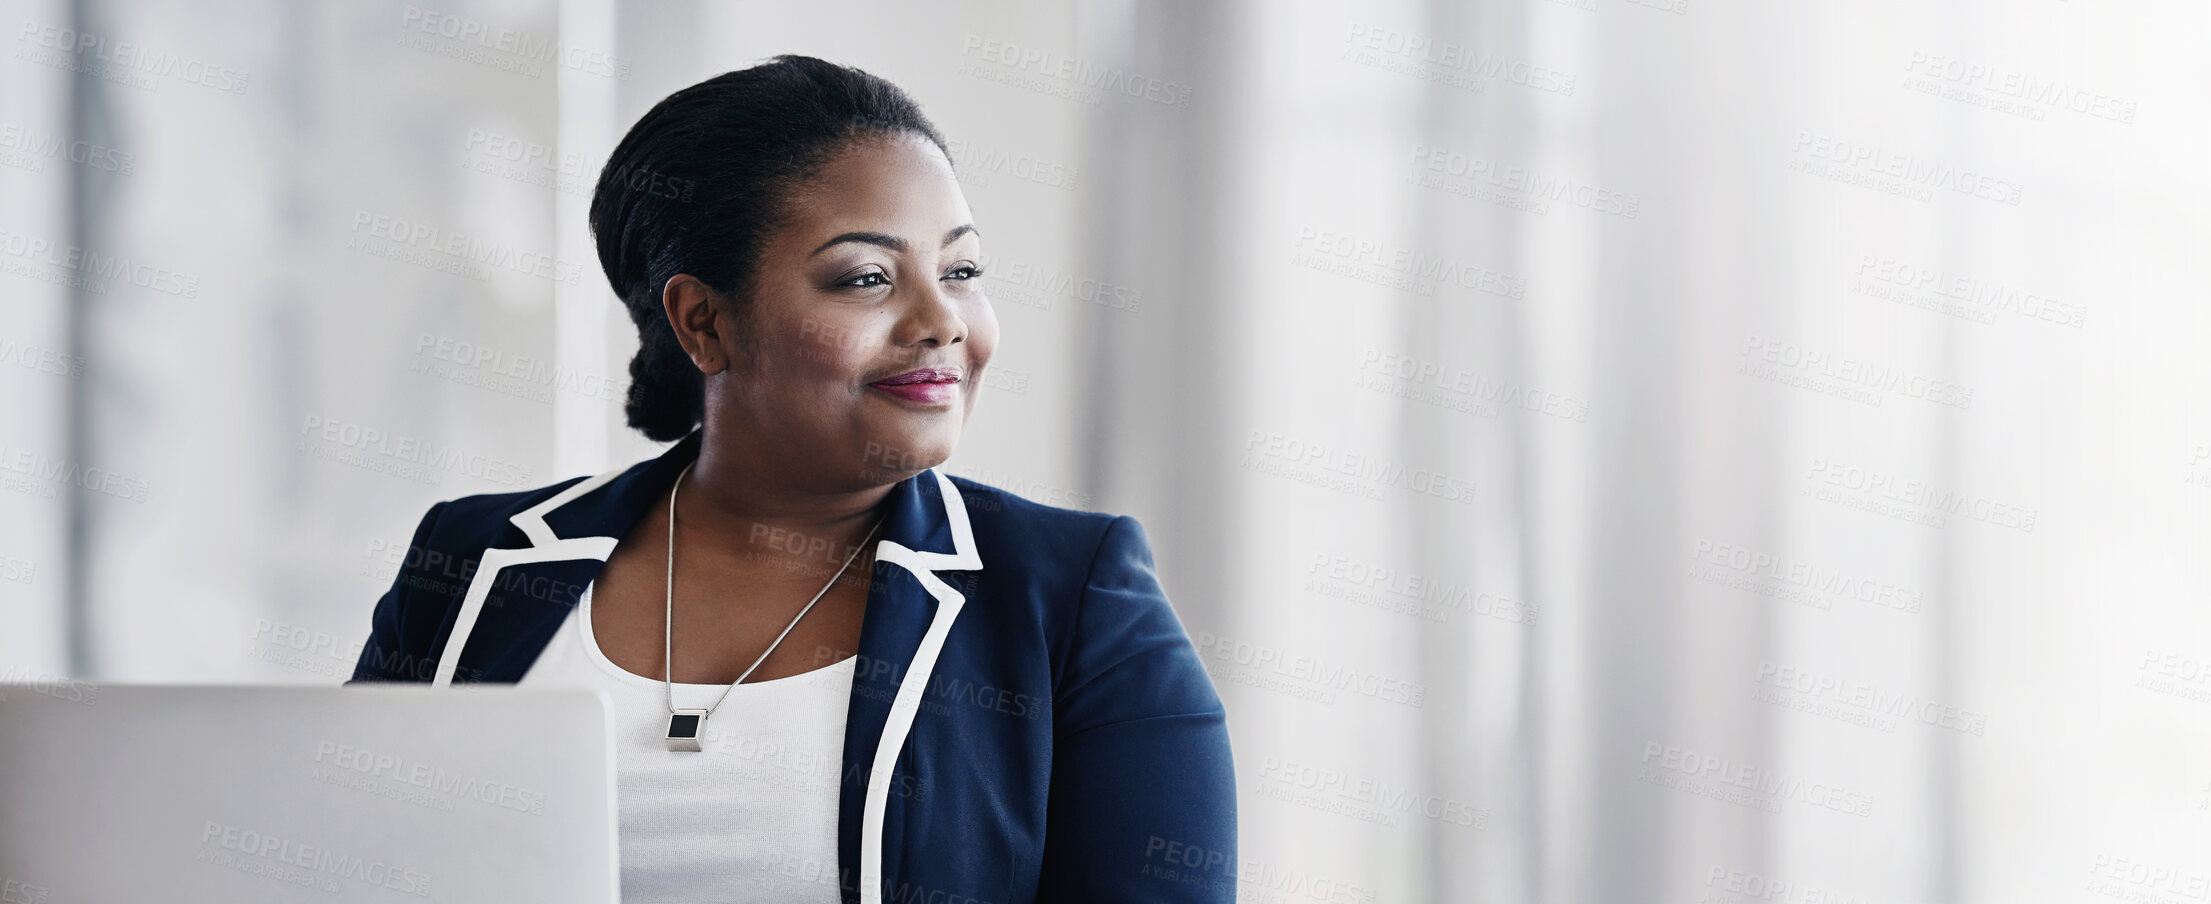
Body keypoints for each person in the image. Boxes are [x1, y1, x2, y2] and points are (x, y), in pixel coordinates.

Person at [347, 54, 1236, 903]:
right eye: (866, 278)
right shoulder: (472, 560)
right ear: (702, 321)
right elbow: (338, 859)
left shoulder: (1073, 596)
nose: (940, 321)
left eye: (960, 270)